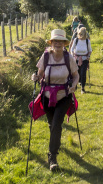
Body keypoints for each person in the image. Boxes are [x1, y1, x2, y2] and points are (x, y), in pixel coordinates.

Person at [31, 29, 79, 171]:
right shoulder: (45, 57)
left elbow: (76, 75)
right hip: (47, 97)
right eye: (55, 41)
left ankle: (52, 157)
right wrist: (35, 78)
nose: (57, 43)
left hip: (64, 96)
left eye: (60, 41)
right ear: (51, 43)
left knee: (57, 124)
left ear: (64, 43)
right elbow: (39, 75)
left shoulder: (68, 57)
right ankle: (55, 143)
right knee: (52, 125)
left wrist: (74, 85)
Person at [70, 27, 93, 93]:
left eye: (82, 34)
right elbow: (72, 49)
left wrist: (88, 56)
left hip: (85, 59)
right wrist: (72, 55)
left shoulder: (87, 41)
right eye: (80, 34)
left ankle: (82, 88)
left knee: (83, 73)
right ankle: (75, 86)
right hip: (76, 59)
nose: (81, 35)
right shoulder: (76, 40)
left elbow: (90, 50)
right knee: (77, 73)